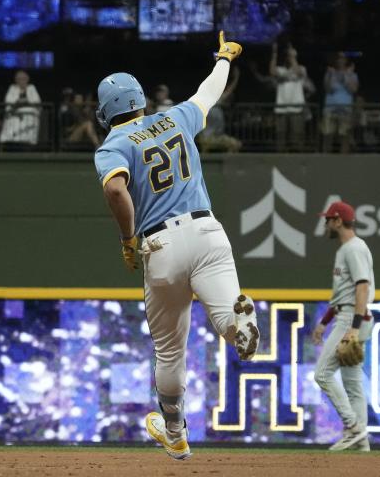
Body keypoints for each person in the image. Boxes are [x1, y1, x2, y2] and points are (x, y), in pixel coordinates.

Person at [94, 32, 259, 461]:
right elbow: (208, 92)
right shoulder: (176, 118)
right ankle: (238, 327)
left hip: (160, 243)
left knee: (170, 350)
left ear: (106, 112)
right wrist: (223, 58)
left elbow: (116, 192)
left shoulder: (113, 144)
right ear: (140, 100)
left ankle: (175, 431)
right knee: (225, 313)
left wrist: (128, 239)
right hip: (207, 231)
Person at [310, 201, 375, 452]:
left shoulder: (354, 248)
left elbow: (362, 287)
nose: (325, 223)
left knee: (322, 374)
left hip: (352, 318)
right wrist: (324, 322)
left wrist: (354, 327)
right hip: (348, 314)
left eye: (328, 219)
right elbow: (344, 292)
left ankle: (354, 427)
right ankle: (362, 445)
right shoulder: (347, 248)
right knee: (353, 383)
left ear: (338, 221)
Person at [270, 39, 315, 152]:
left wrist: (293, 56)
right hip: (282, 108)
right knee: (281, 136)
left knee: (297, 135)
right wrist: (274, 54)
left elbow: (298, 72)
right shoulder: (281, 70)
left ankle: (297, 158)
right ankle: (281, 158)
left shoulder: (301, 69)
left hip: (297, 107)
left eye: (290, 56)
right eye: (287, 56)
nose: (288, 58)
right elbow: (272, 71)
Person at [321, 52, 358, 154]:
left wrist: (345, 76)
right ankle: (326, 157)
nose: (340, 61)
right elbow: (328, 89)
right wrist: (330, 75)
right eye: (338, 58)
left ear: (346, 61)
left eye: (342, 59)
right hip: (330, 108)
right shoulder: (330, 73)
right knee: (328, 134)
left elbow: (353, 89)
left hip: (345, 109)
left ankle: (344, 159)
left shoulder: (352, 75)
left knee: (344, 135)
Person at [0, 70, 42, 148]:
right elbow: (8, 101)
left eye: (24, 79)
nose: (22, 81)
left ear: (27, 79)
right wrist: (18, 102)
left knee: (30, 115)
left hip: (30, 114)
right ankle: (12, 141)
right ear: (16, 80)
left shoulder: (32, 88)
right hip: (15, 113)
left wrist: (27, 101)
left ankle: (28, 142)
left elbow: (37, 101)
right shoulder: (12, 88)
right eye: (20, 79)